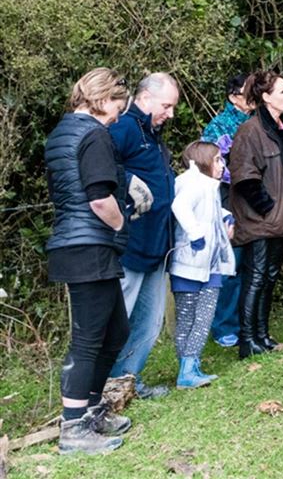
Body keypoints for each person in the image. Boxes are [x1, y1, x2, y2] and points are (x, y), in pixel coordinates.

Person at [46, 68, 133, 454]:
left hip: (76, 243)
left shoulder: (62, 131)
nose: (118, 115)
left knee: (116, 331)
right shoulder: (95, 133)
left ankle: (93, 409)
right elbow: (99, 198)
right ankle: (74, 428)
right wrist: (120, 225)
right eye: (118, 105)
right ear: (102, 100)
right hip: (89, 244)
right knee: (87, 340)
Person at [228, 70, 283, 358]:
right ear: (266, 97)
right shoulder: (250, 130)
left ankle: (261, 335)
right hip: (262, 221)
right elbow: (244, 176)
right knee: (256, 277)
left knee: (270, 276)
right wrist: (268, 207)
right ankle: (247, 341)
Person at [108, 72, 179, 399]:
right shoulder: (123, 128)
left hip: (157, 245)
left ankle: (128, 383)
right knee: (117, 321)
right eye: (167, 105)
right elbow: (100, 168)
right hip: (130, 245)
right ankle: (101, 389)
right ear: (145, 97)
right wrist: (127, 181)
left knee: (149, 325)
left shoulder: (152, 134)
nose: (170, 113)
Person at [169, 141, 236, 388]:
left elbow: (208, 212)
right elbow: (181, 207)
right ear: (203, 161)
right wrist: (196, 235)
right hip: (191, 263)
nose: (222, 165)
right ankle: (187, 370)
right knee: (193, 319)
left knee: (200, 318)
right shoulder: (195, 184)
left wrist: (225, 215)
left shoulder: (207, 187)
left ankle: (188, 365)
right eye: (218, 159)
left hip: (208, 264)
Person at [201, 73, 254, 348]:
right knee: (230, 262)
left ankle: (248, 321)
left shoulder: (261, 121)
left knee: (252, 263)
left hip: (257, 199)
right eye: (248, 92)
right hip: (229, 198)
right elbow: (208, 165)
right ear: (234, 96)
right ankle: (224, 326)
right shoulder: (219, 126)